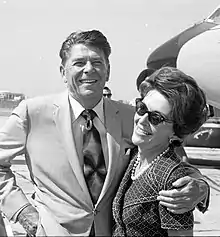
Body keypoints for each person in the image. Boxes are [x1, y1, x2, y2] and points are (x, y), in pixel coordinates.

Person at [0, 30, 209, 236]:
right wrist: (22, 211)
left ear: (108, 71)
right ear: (63, 71)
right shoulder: (32, 114)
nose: (89, 69)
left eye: (97, 62)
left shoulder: (135, 116)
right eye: (79, 63)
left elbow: (177, 160)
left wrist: (199, 187)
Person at [112, 66, 208, 236]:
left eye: (156, 118)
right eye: (141, 108)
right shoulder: (136, 156)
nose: (141, 120)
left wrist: (200, 186)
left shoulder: (174, 184)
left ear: (176, 131)